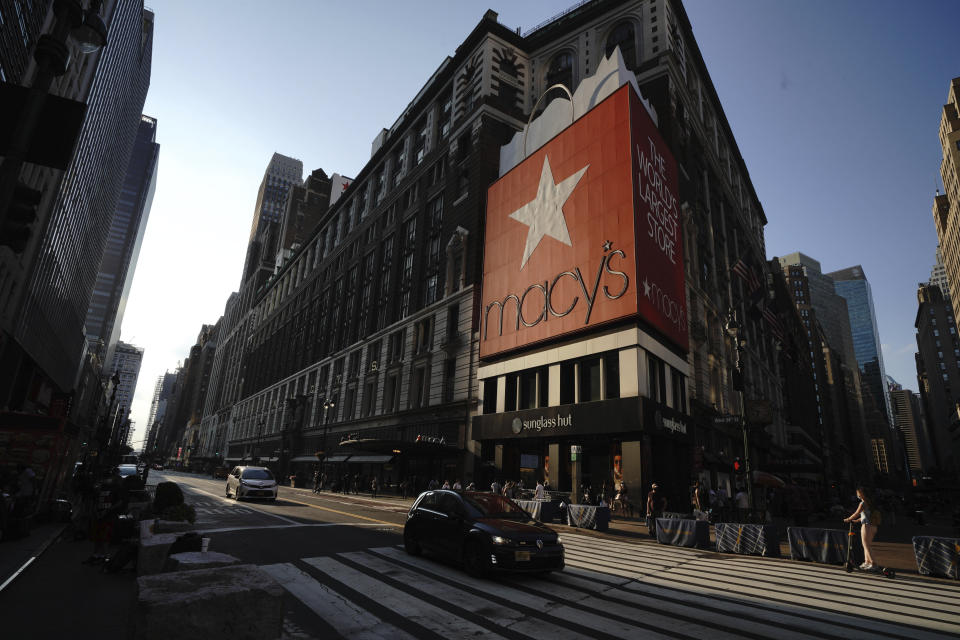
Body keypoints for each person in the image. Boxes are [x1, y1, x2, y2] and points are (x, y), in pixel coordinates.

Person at [844, 486, 881, 570]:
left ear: (861, 494)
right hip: (873, 526)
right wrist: (856, 521)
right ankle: (867, 562)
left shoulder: (862, 503)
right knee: (866, 545)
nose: (857, 495)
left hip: (867, 526)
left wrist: (848, 519)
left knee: (866, 545)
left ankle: (873, 563)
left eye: (858, 493)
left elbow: (856, 513)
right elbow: (865, 516)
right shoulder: (870, 502)